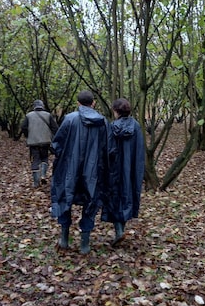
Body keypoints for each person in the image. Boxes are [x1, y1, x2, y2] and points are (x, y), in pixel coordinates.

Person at [50, 90, 109, 254]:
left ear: (78, 103)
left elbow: (57, 144)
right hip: (94, 170)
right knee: (91, 201)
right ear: (93, 103)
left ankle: (64, 238)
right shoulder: (103, 122)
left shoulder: (69, 119)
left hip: (69, 168)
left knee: (64, 198)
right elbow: (108, 148)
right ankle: (85, 243)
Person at [102, 98, 145, 247]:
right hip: (131, 169)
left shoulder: (112, 127)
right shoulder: (137, 126)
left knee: (114, 197)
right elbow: (139, 149)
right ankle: (121, 230)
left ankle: (119, 231)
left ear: (116, 111)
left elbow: (109, 150)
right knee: (128, 196)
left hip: (115, 169)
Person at [21, 100, 58, 188]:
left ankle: (36, 183)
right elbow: (55, 128)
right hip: (45, 141)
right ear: (42, 106)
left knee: (35, 160)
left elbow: (23, 127)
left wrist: (28, 135)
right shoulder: (48, 115)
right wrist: (53, 139)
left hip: (33, 143)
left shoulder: (28, 115)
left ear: (34, 106)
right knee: (44, 158)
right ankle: (43, 175)